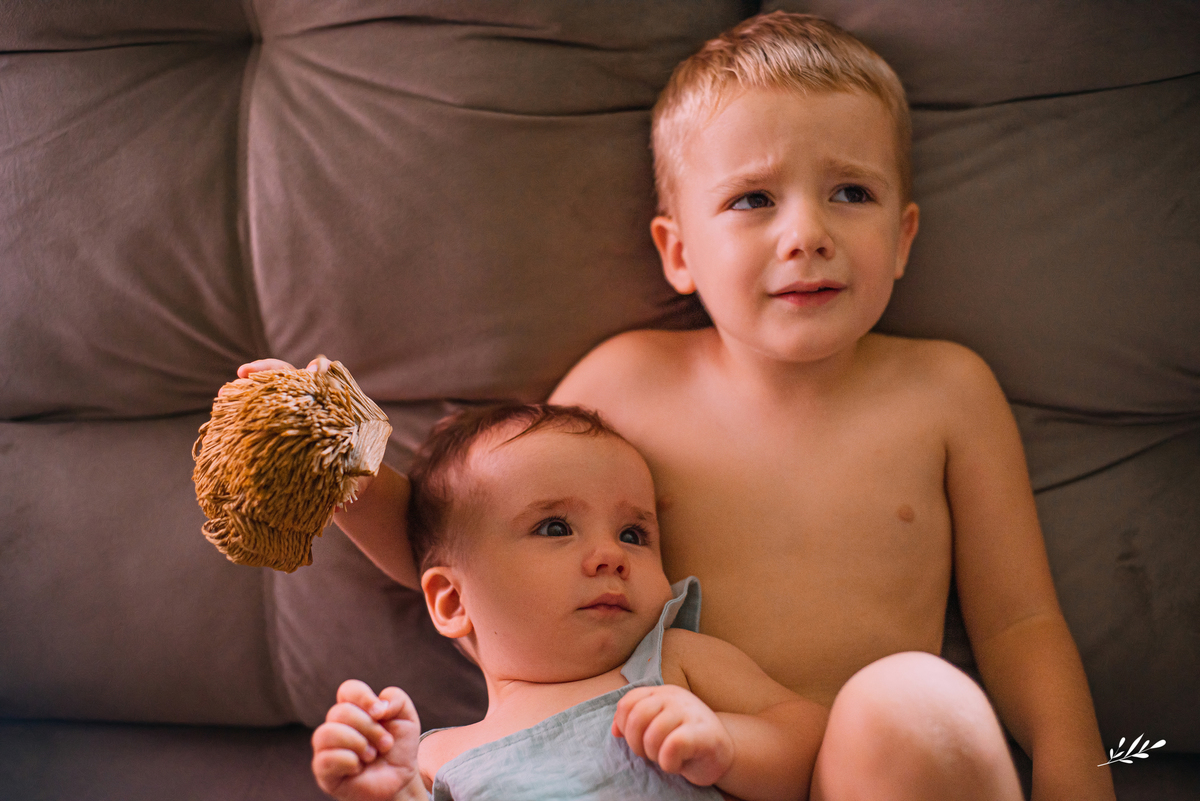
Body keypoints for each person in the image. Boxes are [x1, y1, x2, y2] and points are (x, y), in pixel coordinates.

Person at [243, 11, 1111, 799]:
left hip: (869, 772)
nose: (806, 231)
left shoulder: (947, 389)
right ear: (678, 250)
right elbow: (475, 535)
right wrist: (338, 456)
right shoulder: (627, 383)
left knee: (909, 698)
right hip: (661, 766)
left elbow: (1020, 620)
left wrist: (1080, 773)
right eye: (753, 199)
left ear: (904, 238)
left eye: (851, 191)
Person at [309, 404, 830, 800]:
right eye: (555, 527)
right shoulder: (436, 755)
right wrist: (391, 789)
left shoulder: (670, 663)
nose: (611, 555)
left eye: (633, 534)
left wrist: (727, 745)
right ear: (452, 601)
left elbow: (810, 738)